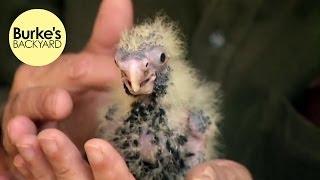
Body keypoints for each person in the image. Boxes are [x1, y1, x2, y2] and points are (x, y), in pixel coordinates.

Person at [2, 0, 320, 179]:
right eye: (124, 67)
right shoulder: (114, 115)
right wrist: (14, 127)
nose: (136, 78)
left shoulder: (194, 122)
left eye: (156, 63)